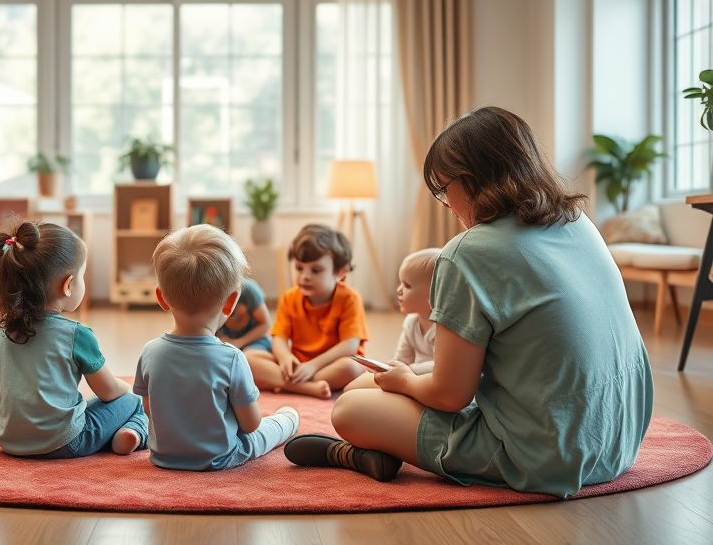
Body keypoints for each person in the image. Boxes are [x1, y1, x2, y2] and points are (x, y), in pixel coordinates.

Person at [285, 106, 653, 496]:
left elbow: (450, 394)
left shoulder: (467, 252)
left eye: (444, 189)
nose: (445, 204)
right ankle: (376, 445)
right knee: (366, 386)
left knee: (350, 406)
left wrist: (407, 380)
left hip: (546, 453)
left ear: (473, 179)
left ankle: (354, 454)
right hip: (620, 436)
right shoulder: (577, 221)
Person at [134, 224, 299, 471]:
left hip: (162, 456)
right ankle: (290, 419)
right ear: (231, 302)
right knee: (270, 428)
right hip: (222, 457)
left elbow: (150, 410)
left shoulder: (150, 351)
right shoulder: (232, 358)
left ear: (161, 298)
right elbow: (251, 424)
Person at [0, 220, 149, 458]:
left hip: (9, 442)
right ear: (68, 285)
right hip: (65, 442)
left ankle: (124, 432)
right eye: (83, 275)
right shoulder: (77, 334)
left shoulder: (2, 332)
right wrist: (126, 388)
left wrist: (1, 432)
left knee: (88, 405)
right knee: (133, 401)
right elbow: (108, 392)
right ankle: (134, 433)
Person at [246, 224, 367, 399]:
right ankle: (307, 388)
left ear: (340, 272)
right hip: (298, 364)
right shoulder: (289, 298)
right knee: (248, 358)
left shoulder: (350, 298)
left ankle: (285, 383)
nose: (305, 276)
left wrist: (313, 365)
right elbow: (279, 339)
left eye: (315, 270)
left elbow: (350, 346)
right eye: (298, 268)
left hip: (329, 365)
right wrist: (285, 357)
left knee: (351, 368)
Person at [345, 247, 441, 391]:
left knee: (356, 392)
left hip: (426, 386)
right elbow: (401, 359)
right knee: (352, 388)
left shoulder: (441, 328)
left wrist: (405, 370)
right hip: (408, 378)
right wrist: (387, 367)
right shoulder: (411, 322)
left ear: (433, 295)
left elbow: (438, 367)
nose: (399, 290)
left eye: (407, 285)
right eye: (400, 283)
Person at [216, 277, 273, 354]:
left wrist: (239, 342)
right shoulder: (213, 295)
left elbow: (266, 324)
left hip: (255, 342)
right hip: (226, 343)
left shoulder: (249, 289)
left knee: (249, 356)